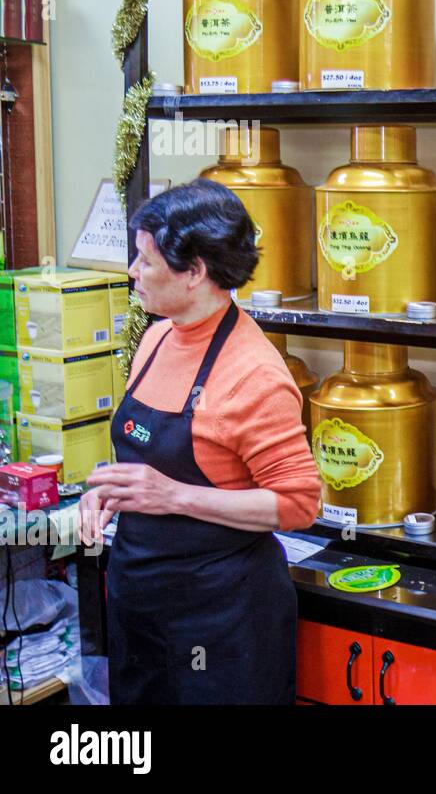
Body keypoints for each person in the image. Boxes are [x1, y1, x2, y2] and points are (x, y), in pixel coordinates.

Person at [78, 178, 320, 704]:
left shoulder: (253, 375)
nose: (132, 272)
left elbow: (299, 503)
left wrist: (172, 496)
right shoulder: (157, 337)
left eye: (145, 260)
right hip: (140, 609)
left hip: (222, 623)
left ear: (194, 273)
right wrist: (112, 492)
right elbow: (147, 463)